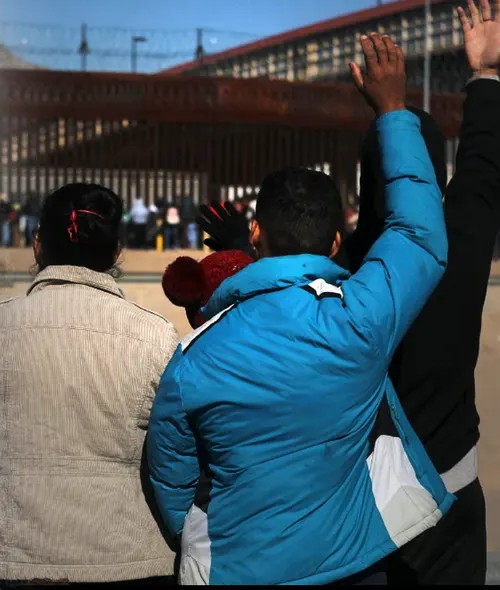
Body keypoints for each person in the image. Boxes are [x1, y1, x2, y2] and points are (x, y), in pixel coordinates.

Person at [199, 4, 500, 583]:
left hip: (363, 509)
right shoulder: (457, 246)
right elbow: (485, 166)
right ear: (435, 170)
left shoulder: (344, 267)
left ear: (365, 179)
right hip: (453, 488)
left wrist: (242, 245)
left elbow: (291, 262)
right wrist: (484, 76)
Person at [147, 35, 454, 585]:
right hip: (351, 561)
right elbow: (420, 233)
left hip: (235, 568)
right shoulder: (360, 319)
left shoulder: (195, 354)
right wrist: (393, 110)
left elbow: (170, 478)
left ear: (256, 233)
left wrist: (207, 539)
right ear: (335, 243)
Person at [0, 183, 180, 588]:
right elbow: (171, 457)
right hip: (127, 557)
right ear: (117, 252)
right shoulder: (156, 335)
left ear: (36, 245)